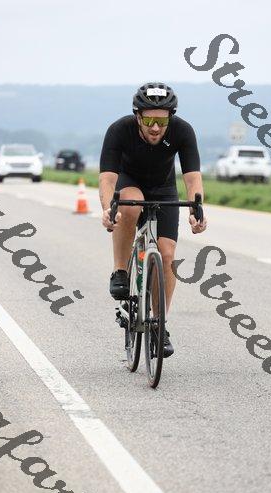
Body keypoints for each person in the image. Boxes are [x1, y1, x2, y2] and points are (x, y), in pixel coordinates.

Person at [99, 82, 207, 357]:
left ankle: (160, 325)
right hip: (129, 183)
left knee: (167, 255)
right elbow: (107, 180)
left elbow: (192, 179)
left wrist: (197, 210)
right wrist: (108, 209)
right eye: (149, 121)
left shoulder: (183, 131)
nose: (156, 127)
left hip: (163, 188)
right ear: (137, 116)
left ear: (171, 118)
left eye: (162, 121)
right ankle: (120, 271)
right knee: (131, 204)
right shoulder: (119, 130)